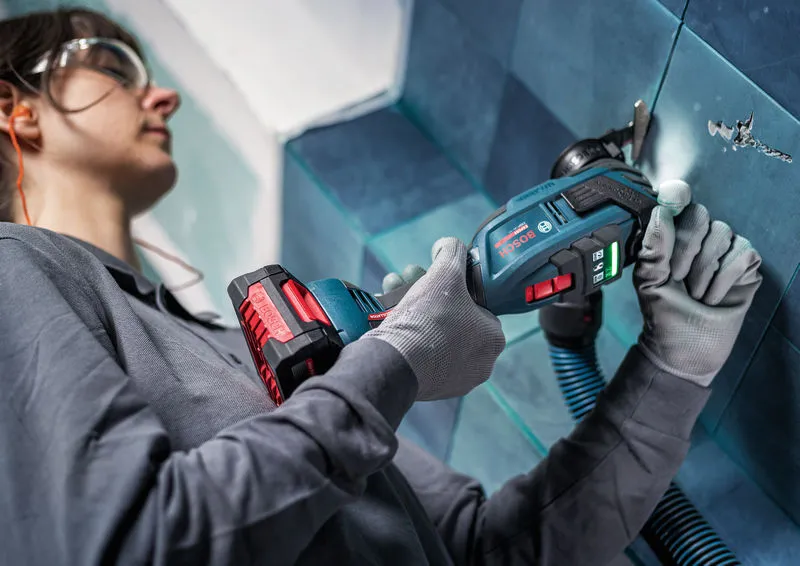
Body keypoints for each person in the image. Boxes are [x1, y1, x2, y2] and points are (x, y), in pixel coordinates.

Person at [0, 8, 763, 566]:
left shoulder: (235, 343)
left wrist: (674, 367)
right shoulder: (9, 269)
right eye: (115, 66)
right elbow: (126, 546)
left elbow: (488, 551)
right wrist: (394, 364)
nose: (161, 95)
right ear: (16, 111)